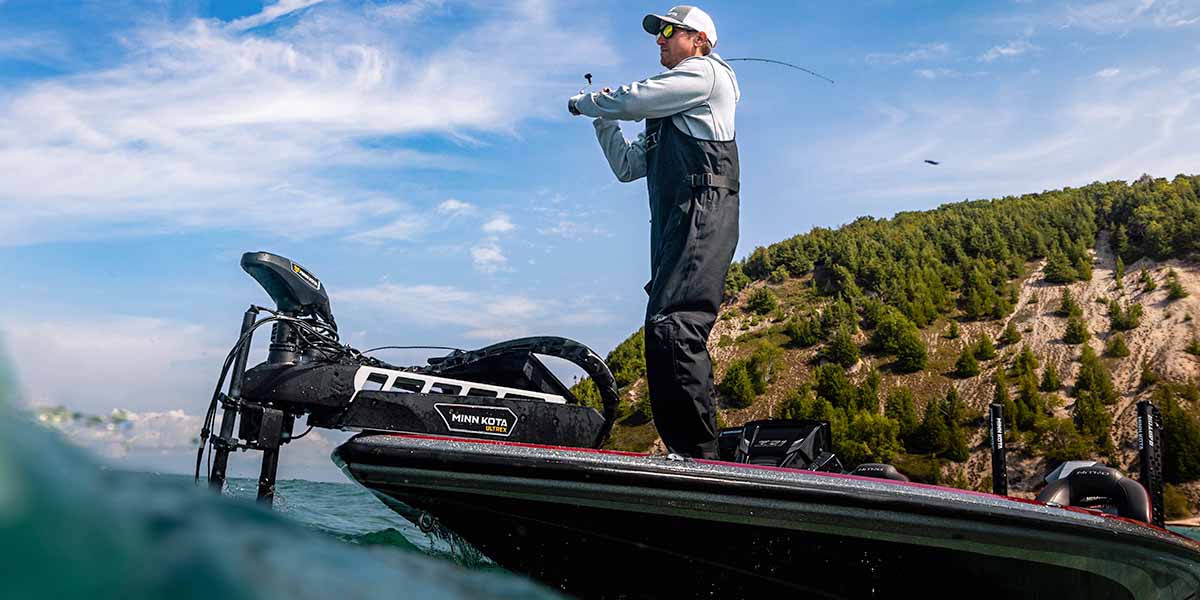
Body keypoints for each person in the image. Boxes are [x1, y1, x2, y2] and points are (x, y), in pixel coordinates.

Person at [568, 5, 740, 458]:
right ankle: (686, 453)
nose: (659, 39)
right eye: (658, 33)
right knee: (661, 332)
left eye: (668, 31)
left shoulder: (705, 74)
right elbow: (627, 167)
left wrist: (587, 103)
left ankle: (703, 460)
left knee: (677, 326)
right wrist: (602, 121)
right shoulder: (669, 113)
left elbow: (633, 97)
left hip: (703, 214)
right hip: (675, 227)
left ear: (699, 39)